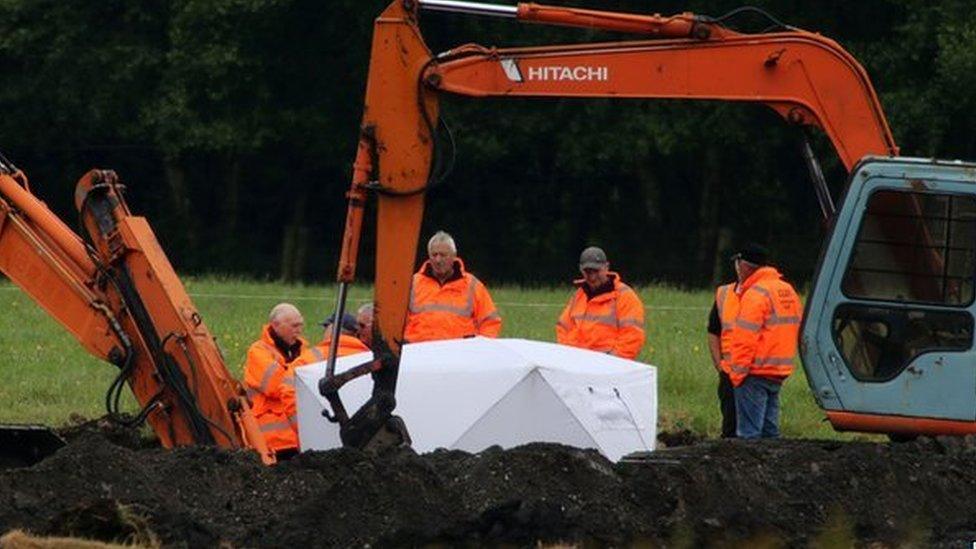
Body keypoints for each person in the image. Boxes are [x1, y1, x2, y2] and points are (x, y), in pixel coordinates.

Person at [728, 244, 802, 439]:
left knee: (749, 436)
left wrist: (737, 374)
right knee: (770, 435)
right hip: (778, 371)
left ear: (744, 266)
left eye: (737, 263)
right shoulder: (787, 290)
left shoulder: (755, 295)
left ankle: (748, 469)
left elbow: (744, 339)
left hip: (755, 372)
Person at [707, 246, 770, 439]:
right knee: (731, 427)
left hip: (755, 372)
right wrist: (720, 365)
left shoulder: (764, 294)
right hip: (730, 371)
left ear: (741, 265)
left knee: (757, 429)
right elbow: (713, 331)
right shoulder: (724, 294)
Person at [403, 230, 502, 342]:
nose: (438, 260)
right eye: (434, 255)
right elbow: (396, 322)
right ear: (428, 256)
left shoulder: (472, 285)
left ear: (454, 256)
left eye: (443, 255)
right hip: (419, 352)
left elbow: (490, 322)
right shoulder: (412, 284)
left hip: (458, 354)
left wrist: (480, 349)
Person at [243, 303, 311, 459]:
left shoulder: (303, 349)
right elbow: (276, 386)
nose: (299, 330)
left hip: (301, 438)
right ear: (275, 325)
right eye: (294, 326)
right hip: (273, 442)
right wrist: (297, 371)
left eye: (300, 325)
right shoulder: (258, 351)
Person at [556, 246, 645, 360]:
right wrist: (568, 356)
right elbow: (562, 328)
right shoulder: (579, 295)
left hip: (608, 368)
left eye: (596, 271)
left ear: (606, 267)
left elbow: (632, 337)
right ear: (580, 269)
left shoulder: (625, 296)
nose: (592, 277)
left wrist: (609, 363)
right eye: (587, 272)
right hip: (576, 365)